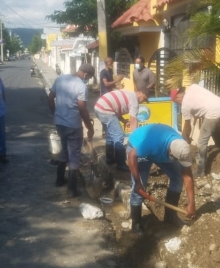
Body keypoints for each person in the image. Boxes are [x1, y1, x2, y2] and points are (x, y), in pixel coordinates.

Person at [127, 124, 196, 234]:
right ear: (170, 153)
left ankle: (170, 216)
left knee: (177, 178)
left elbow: (187, 177)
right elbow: (131, 155)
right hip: (138, 145)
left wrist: (191, 203)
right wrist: (137, 182)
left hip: (158, 150)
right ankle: (136, 224)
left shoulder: (182, 147)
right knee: (139, 188)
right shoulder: (150, 145)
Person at [48, 63, 96, 197]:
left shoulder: (60, 79)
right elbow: (82, 109)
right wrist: (89, 127)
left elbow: (50, 99)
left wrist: (56, 114)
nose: (89, 79)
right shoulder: (81, 86)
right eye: (90, 77)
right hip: (73, 125)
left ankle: (59, 179)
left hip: (60, 123)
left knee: (64, 149)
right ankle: (72, 189)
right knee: (74, 155)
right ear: (86, 74)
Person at [171, 84, 220, 177]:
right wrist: (196, 113)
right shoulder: (193, 87)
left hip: (214, 112)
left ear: (177, 96)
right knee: (213, 128)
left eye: (176, 102)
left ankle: (200, 171)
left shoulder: (185, 106)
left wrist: (185, 138)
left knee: (201, 142)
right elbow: (200, 102)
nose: (178, 104)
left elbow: (187, 126)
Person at [94, 89, 148, 171]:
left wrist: (123, 120)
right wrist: (136, 137)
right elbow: (133, 120)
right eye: (144, 98)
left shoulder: (129, 94)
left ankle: (110, 159)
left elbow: (116, 108)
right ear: (140, 92)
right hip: (106, 109)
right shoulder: (134, 101)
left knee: (110, 135)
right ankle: (121, 164)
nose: (143, 101)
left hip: (99, 107)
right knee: (118, 135)